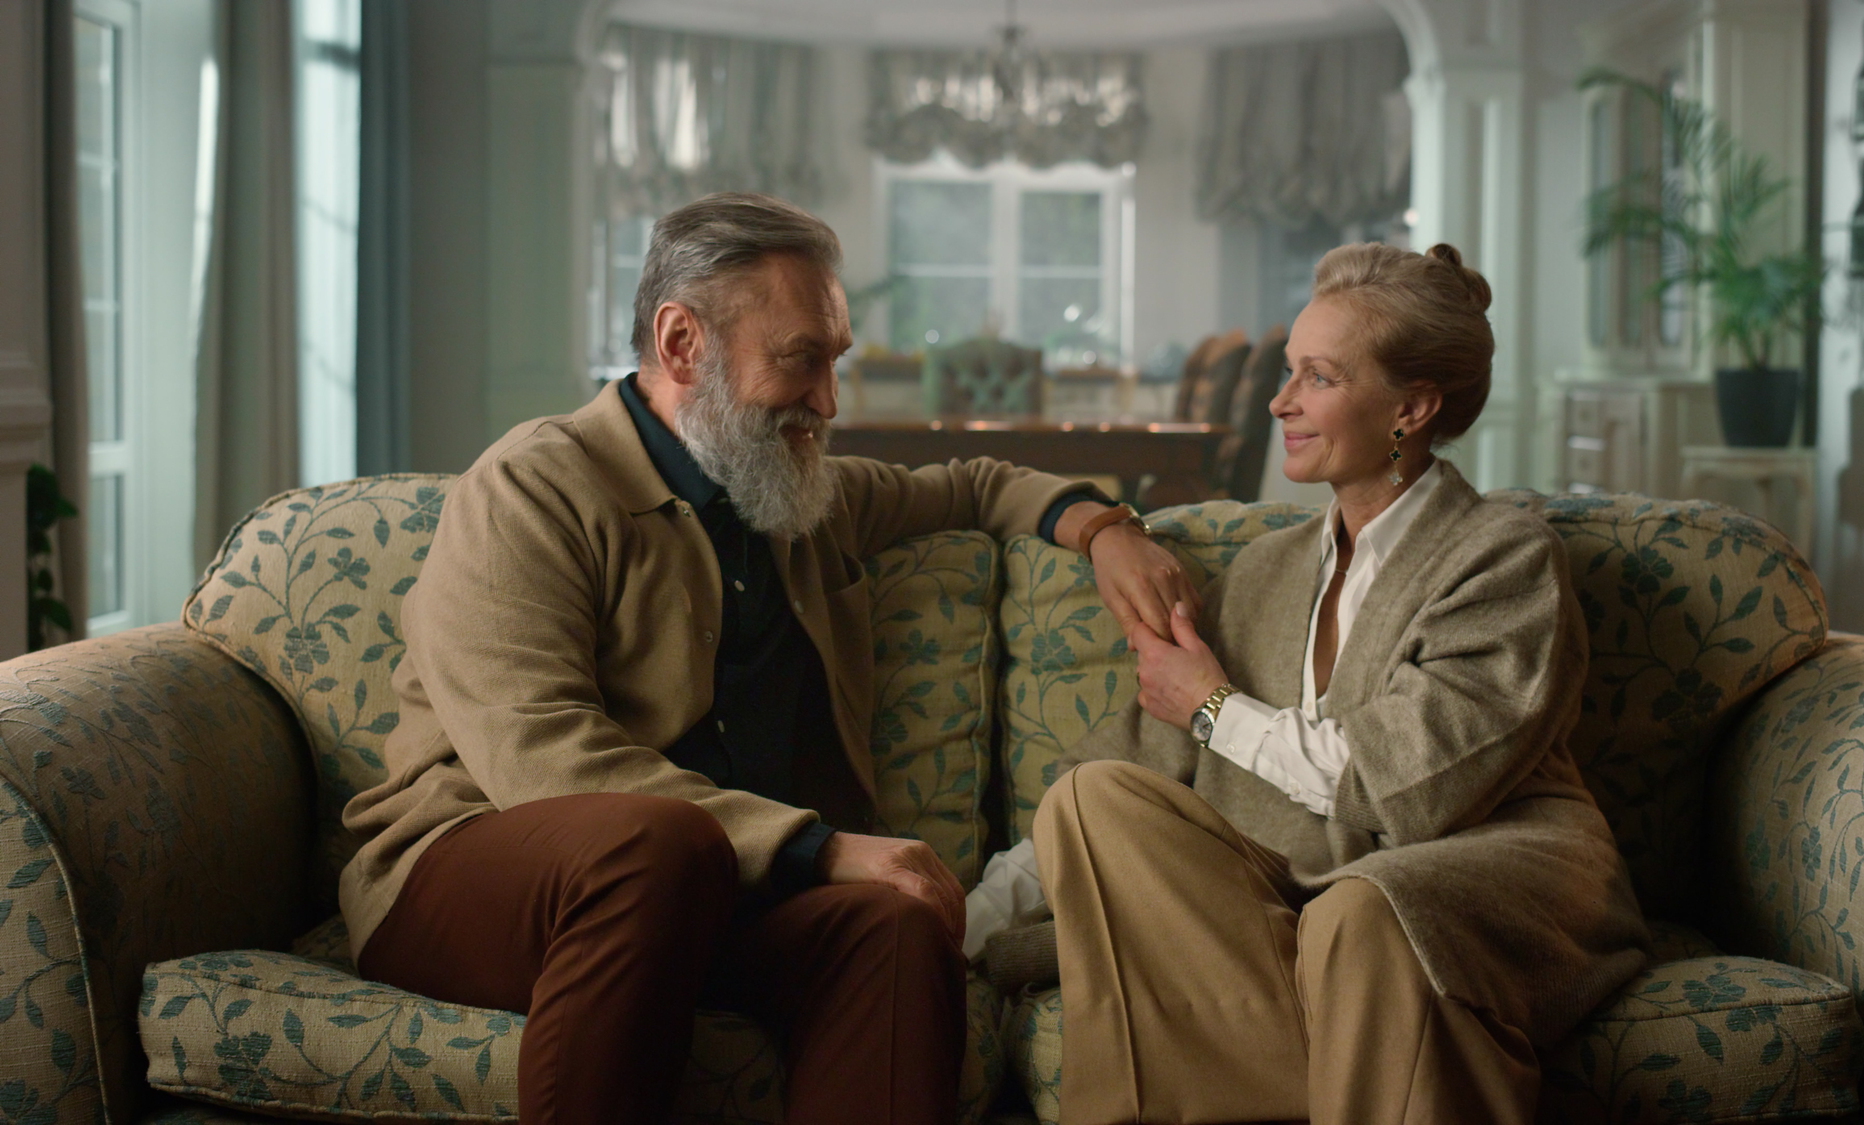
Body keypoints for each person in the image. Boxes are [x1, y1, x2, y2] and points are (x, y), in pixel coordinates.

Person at [338, 192, 1201, 1125]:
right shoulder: (532, 487)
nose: (828, 401)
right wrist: (817, 847)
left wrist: (1107, 531)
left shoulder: (795, 490)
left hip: (718, 895)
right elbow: (538, 757)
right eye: (801, 360)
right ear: (681, 344)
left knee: (897, 928)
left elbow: (973, 482)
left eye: (834, 361)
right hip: (473, 873)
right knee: (655, 840)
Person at [986, 242, 1649, 1123]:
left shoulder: (1504, 557)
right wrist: (956, 919)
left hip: (1480, 867)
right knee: (1092, 802)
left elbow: (1402, 785)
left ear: (1410, 407)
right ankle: (1358, 1049)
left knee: (1364, 913)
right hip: (1290, 903)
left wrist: (1214, 707)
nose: (1280, 399)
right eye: (1289, 370)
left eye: (1318, 377)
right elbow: (1137, 757)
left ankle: (1254, 1056)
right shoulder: (1265, 570)